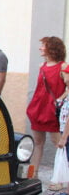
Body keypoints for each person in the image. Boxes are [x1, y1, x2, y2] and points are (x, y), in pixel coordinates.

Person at [25, 37, 67, 177]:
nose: (40, 48)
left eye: (43, 45)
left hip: (52, 111)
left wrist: (60, 99)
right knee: (38, 143)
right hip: (38, 108)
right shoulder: (41, 66)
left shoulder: (63, 66)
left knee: (59, 144)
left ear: (52, 48)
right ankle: (33, 174)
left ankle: (61, 177)